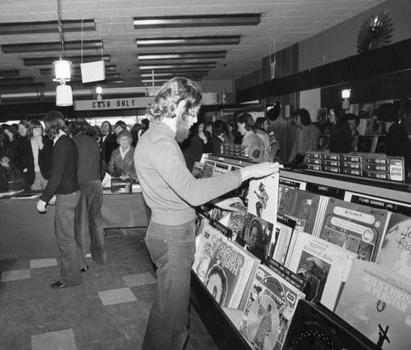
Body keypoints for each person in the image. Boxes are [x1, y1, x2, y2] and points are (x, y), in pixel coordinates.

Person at [134, 76, 279, 350]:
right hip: (173, 238)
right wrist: (245, 173)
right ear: (179, 109)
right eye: (193, 115)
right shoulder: (163, 144)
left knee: (165, 311)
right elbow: (192, 191)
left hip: (164, 230)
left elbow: (175, 191)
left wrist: (218, 203)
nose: (194, 123)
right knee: (175, 324)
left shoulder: (152, 137)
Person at [36, 111, 82, 289]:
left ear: (51, 126)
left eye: (46, 126)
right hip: (70, 192)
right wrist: (54, 193)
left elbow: (56, 175)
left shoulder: (62, 143)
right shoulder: (67, 141)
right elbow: (65, 173)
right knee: (68, 236)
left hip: (67, 195)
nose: (45, 130)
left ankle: (71, 278)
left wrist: (44, 199)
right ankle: (76, 270)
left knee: (65, 239)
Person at [72, 119, 106, 267]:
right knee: (96, 221)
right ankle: (100, 257)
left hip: (82, 183)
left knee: (79, 223)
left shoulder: (74, 141)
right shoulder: (94, 141)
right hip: (96, 183)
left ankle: (81, 262)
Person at [14, 120, 52, 191]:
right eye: (35, 128)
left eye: (39, 128)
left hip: (46, 174)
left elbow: (50, 159)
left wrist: (41, 144)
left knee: (49, 197)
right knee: (35, 198)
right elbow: (17, 158)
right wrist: (24, 169)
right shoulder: (25, 142)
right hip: (32, 174)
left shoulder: (47, 140)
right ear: (31, 130)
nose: (38, 130)